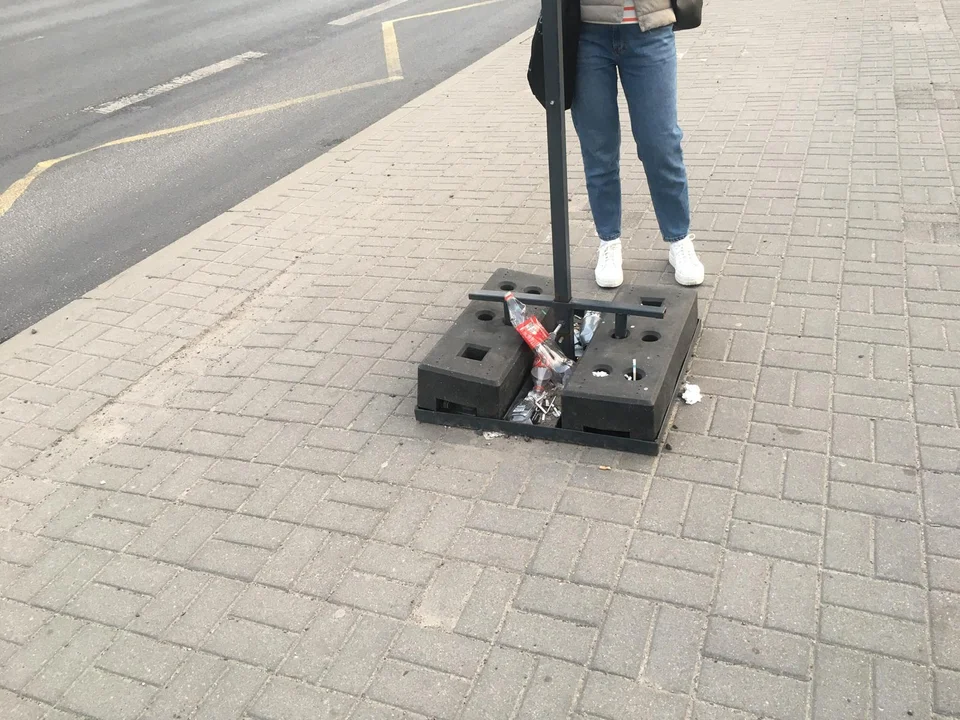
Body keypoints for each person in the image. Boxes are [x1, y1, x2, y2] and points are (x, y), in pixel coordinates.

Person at [574, 0, 704, 289]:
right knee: (598, 147)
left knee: (661, 143)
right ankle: (609, 242)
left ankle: (679, 239)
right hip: (587, 32)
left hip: (651, 29)